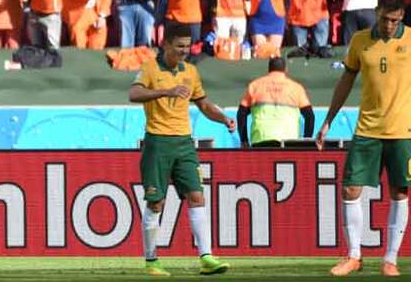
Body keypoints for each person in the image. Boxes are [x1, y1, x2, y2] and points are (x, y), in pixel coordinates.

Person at [316, 0, 411, 277]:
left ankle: (390, 259)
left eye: (394, 20)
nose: (389, 25)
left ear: (402, 16)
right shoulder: (360, 41)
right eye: (384, 19)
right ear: (376, 13)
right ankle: (354, 255)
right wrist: (328, 119)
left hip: (403, 129)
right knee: (350, 189)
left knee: (398, 191)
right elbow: (345, 80)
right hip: (368, 127)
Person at [128, 24, 234, 277]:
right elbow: (133, 94)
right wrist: (166, 91)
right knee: (157, 202)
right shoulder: (150, 68)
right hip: (158, 142)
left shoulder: (191, 71)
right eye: (179, 46)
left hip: (185, 143)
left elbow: (203, 103)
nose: (184, 51)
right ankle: (152, 261)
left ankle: (206, 257)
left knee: (197, 196)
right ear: (166, 45)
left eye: (187, 46)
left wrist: (223, 119)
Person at [237, 57, 315, 147]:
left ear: (269, 69)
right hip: (289, 142)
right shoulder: (296, 88)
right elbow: (310, 116)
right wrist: (306, 142)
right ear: (286, 69)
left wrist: (244, 140)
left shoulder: (255, 86)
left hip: (261, 139)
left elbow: (241, 114)